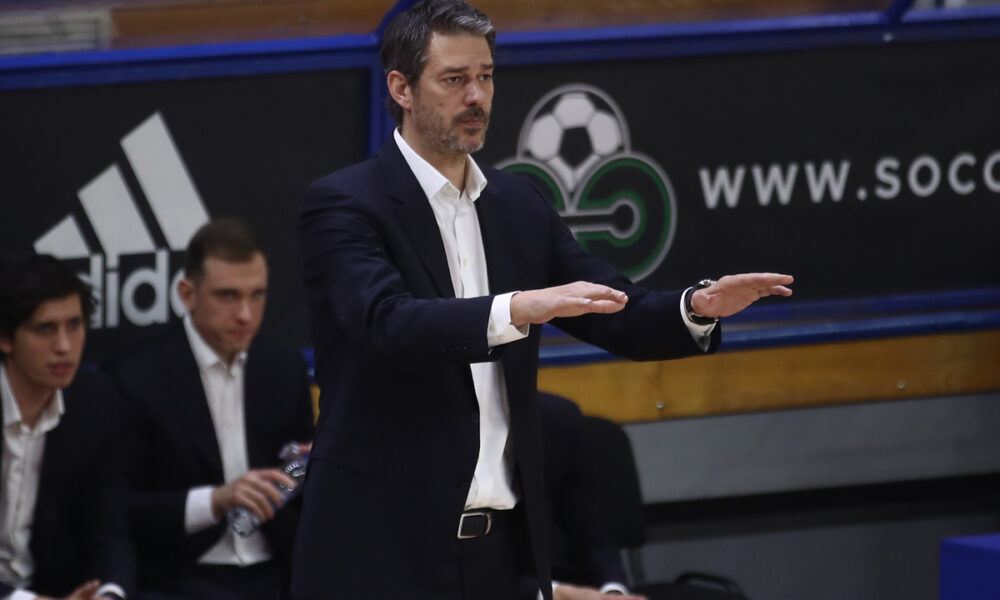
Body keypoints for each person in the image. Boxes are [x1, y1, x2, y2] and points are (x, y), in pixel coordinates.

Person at [292, 1, 793, 598]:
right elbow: (384, 325)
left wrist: (695, 307)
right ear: (401, 86)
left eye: (485, 76)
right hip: (379, 549)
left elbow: (608, 304)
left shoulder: (516, 203)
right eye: (454, 79)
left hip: (497, 554)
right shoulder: (345, 203)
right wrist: (517, 308)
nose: (476, 96)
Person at [104, 219, 314, 600]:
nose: (246, 315)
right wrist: (215, 501)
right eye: (228, 296)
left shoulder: (284, 367)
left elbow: (300, 477)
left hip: (279, 574)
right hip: (178, 575)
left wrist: (318, 465)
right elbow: (115, 508)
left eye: (257, 295)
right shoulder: (136, 379)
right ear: (187, 293)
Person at [0, 254, 134, 600]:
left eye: (74, 326)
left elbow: (110, 529)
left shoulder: (94, 400)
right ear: (6, 338)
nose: (64, 346)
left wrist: (108, 593)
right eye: (45, 329)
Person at [522, 392, 647, 600]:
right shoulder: (455, 424)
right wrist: (552, 593)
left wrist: (612, 591)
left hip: (576, 583)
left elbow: (594, 535)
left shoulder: (558, 419)